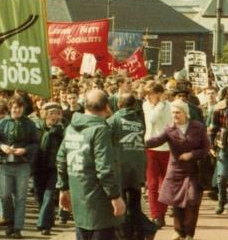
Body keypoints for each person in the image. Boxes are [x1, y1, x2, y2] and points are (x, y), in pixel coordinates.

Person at [57, 89, 125, 240]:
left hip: (79, 198)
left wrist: (63, 188)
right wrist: (115, 196)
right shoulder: (100, 130)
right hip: (100, 202)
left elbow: (61, 158)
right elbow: (104, 167)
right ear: (107, 106)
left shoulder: (71, 128)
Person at [145, 99, 209, 240]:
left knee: (192, 201)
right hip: (176, 171)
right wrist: (141, 142)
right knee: (177, 202)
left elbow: (206, 149)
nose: (175, 115)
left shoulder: (198, 127)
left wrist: (191, 154)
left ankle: (189, 234)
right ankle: (178, 231)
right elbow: (156, 140)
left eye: (178, 112)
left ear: (185, 113)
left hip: (194, 171)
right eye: (173, 112)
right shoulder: (169, 129)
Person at [108, 93, 157, 240]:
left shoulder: (113, 119)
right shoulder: (138, 120)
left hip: (121, 167)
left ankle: (134, 232)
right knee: (134, 204)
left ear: (118, 104)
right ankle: (141, 231)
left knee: (122, 205)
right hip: (137, 166)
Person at [0, 96, 39, 239]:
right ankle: (9, 221)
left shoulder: (30, 124)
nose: (16, 110)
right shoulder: (1, 124)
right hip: (5, 163)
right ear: (10, 108)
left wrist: (25, 150)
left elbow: (36, 144)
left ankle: (18, 228)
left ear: (23, 108)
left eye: (19, 107)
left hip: (22, 164)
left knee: (20, 198)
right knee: (4, 195)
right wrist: (1, 146)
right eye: (14, 107)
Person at [142, 82, 172, 228]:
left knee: (165, 184)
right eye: (146, 94)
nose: (147, 97)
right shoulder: (146, 105)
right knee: (152, 184)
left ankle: (162, 212)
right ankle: (156, 215)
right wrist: (159, 104)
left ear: (159, 94)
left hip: (167, 149)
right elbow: (152, 120)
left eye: (150, 94)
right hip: (151, 148)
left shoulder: (170, 107)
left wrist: (162, 103)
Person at [32, 102, 64, 236]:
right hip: (38, 166)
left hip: (54, 167)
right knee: (39, 196)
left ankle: (43, 224)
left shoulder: (63, 130)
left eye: (57, 113)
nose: (54, 116)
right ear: (44, 114)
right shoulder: (36, 128)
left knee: (49, 195)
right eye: (51, 113)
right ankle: (47, 221)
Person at [210, 84, 228, 217]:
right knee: (222, 177)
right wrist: (211, 145)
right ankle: (221, 201)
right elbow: (214, 128)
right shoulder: (220, 110)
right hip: (224, 147)